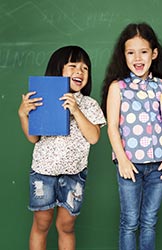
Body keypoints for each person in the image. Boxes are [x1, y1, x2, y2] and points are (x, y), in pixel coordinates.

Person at [18, 45, 105, 250]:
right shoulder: (43, 100)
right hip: (43, 173)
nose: (79, 72)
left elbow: (93, 137)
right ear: (58, 70)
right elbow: (33, 138)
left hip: (74, 174)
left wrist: (76, 110)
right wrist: (23, 114)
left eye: (85, 68)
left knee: (66, 226)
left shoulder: (89, 104)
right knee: (42, 223)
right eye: (73, 66)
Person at [100, 22, 162, 250]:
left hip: (158, 166)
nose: (137, 58)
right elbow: (112, 127)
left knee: (149, 222)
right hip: (129, 166)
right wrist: (122, 160)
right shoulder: (118, 87)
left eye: (143, 51)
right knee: (129, 222)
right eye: (131, 52)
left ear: (154, 54)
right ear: (123, 56)